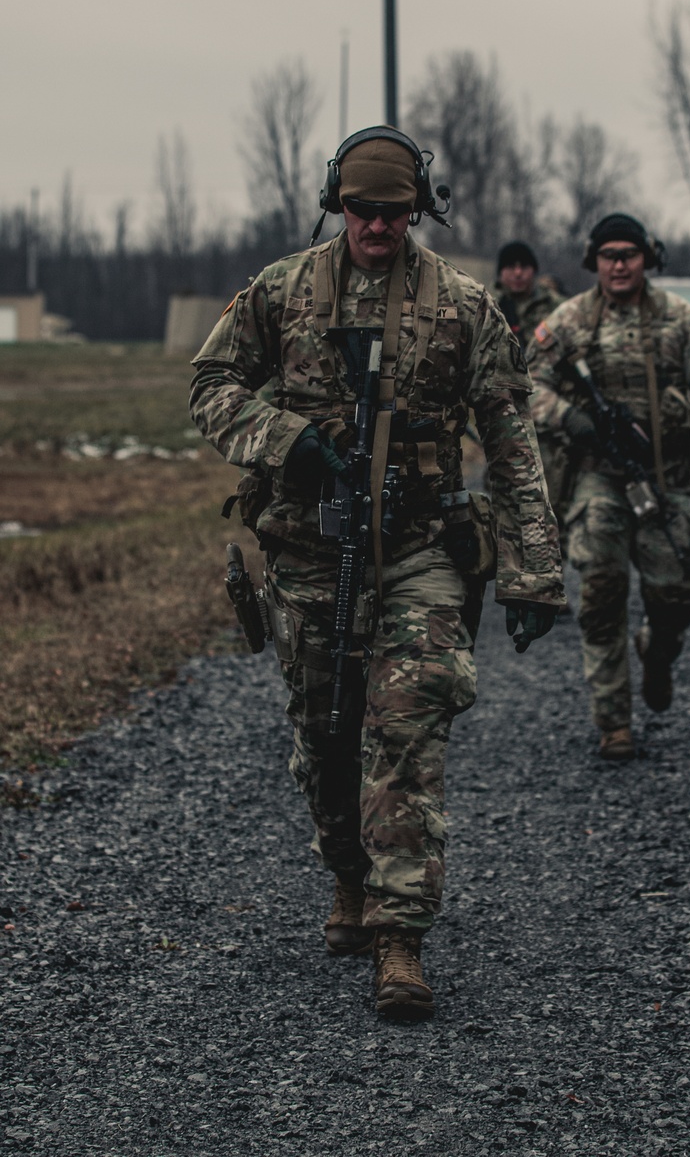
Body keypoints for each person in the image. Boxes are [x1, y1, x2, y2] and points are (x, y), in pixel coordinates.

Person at [190, 126, 564, 1020]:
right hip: (310, 549)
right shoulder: (282, 292)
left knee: (406, 728)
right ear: (336, 204)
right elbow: (209, 387)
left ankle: (402, 935)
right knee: (326, 736)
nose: (378, 227)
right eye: (362, 210)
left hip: (423, 548)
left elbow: (511, 439)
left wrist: (533, 568)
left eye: (395, 213)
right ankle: (349, 878)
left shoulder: (465, 306)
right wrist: (288, 439)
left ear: (417, 212)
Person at [527, 213, 690, 761]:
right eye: (608, 255)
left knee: (674, 596)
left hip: (665, 479)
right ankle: (613, 721)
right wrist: (570, 418)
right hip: (597, 476)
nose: (619, 264)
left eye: (629, 253)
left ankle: (659, 652)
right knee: (600, 592)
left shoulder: (679, 320)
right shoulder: (570, 320)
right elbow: (525, 385)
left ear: (648, 258)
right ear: (594, 262)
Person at [494, 240, 571, 549]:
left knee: (552, 498)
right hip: (507, 419)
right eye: (510, 268)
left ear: (534, 271)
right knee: (509, 500)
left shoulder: (557, 308)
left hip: (550, 420)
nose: (517, 274)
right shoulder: (492, 309)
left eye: (523, 267)